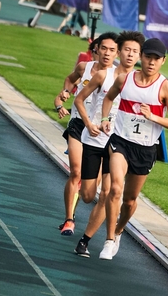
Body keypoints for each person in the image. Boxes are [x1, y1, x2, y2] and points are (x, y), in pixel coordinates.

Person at [98, 38, 168, 260]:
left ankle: (118, 231)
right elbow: (108, 98)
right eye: (148, 57)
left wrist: (153, 116)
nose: (151, 62)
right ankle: (107, 240)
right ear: (141, 57)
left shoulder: (165, 88)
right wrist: (106, 118)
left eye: (156, 59)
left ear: (163, 61)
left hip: (145, 149)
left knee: (130, 200)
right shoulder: (125, 79)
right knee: (115, 188)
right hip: (121, 141)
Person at [71, 31, 144, 257]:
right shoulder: (104, 75)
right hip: (94, 138)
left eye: (135, 52)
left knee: (108, 193)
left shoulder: (140, 82)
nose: (130, 55)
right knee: (87, 195)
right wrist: (89, 123)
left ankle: (86, 240)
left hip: (118, 144)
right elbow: (79, 99)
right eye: (127, 50)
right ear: (119, 51)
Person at [55, 32, 119, 236]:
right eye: (104, 49)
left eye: (112, 50)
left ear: (116, 53)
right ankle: (68, 219)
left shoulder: (118, 77)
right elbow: (69, 79)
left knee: (90, 191)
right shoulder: (85, 68)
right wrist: (66, 91)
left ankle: (78, 207)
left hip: (101, 133)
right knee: (76, 171)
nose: (107, 53)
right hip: (78, 124)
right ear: (97, 49)